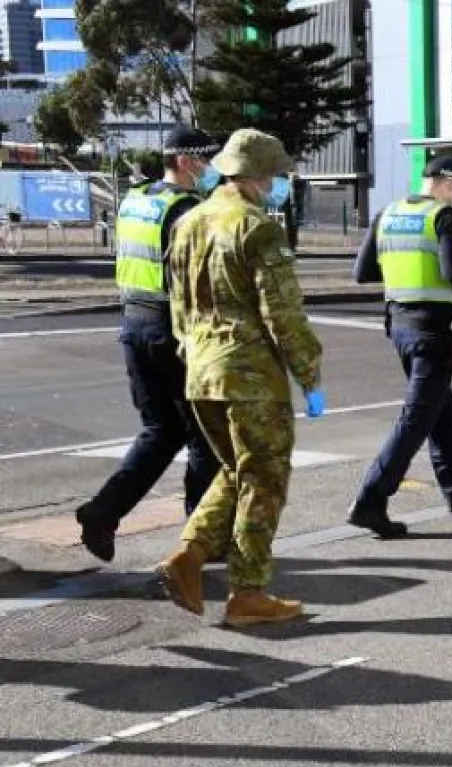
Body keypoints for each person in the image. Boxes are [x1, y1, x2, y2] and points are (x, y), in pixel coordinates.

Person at [155, 128, 324, 627]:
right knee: (265, 481)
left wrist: (194, 355)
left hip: (201, 371)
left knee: (236, 473)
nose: (279, 184)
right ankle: (248, 593)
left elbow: (178, 307)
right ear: (257, 176)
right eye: (275, 175)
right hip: (250, 376)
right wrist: (310, 375)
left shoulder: (188, 222)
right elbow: (283, 315)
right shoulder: (258, 227)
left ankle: (189, 554)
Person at [75, 126, 223, 563]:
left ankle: (102, 512)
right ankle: (203, 536)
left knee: (162, 429)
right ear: (184, 161)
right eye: (205, 159)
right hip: (172, 330)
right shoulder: (185, 210)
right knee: (204, 435)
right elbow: (198, 281)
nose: (210, 168)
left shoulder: (137, 199)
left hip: (134, 324)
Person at [347, 155, 452, 538]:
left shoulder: (388, 214)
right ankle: (370, 501)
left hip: (400, 326)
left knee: (440, 409)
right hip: (435, 329)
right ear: (445, 183)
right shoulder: (445, 218)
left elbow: (362, 273)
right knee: (416, 417)